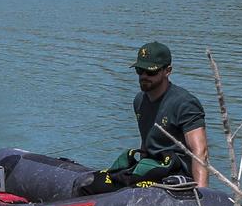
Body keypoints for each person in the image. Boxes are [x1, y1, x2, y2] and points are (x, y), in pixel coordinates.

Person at [88, 41, 211, 192]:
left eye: (151, 72)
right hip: (150, 170)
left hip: (175, 174)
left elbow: (200, 152)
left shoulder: (185, 104)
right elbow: (146, 144)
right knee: (91, 184)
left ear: (167, 71)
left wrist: (203, 195)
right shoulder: (140, 101)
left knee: (131, 194)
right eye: (140, 70)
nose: (144, 76)